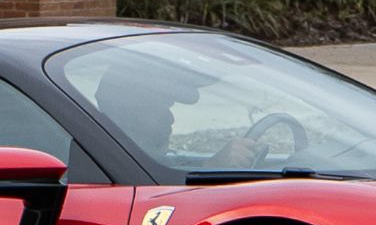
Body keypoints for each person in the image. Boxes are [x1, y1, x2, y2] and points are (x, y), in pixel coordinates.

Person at [91, 72, 263, 169]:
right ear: (125, 116)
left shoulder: (149, 159)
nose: (170, 118)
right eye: (157, 108)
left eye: (168, 107)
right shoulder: (109, 172)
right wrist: (214, 165)